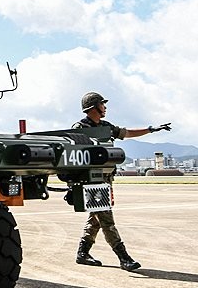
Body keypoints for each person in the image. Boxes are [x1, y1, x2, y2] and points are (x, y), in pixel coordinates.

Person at [72, 91, 169, 271]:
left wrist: (150, 129)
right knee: (106, 219)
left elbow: (126, 133)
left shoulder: (106, 126)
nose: (105, 107)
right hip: (92, 181)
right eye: (102, 104)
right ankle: (123, 257)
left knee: (96, 218)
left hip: (106, 178)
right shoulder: (79, 128)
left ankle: (82, 253)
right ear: (93, 107)